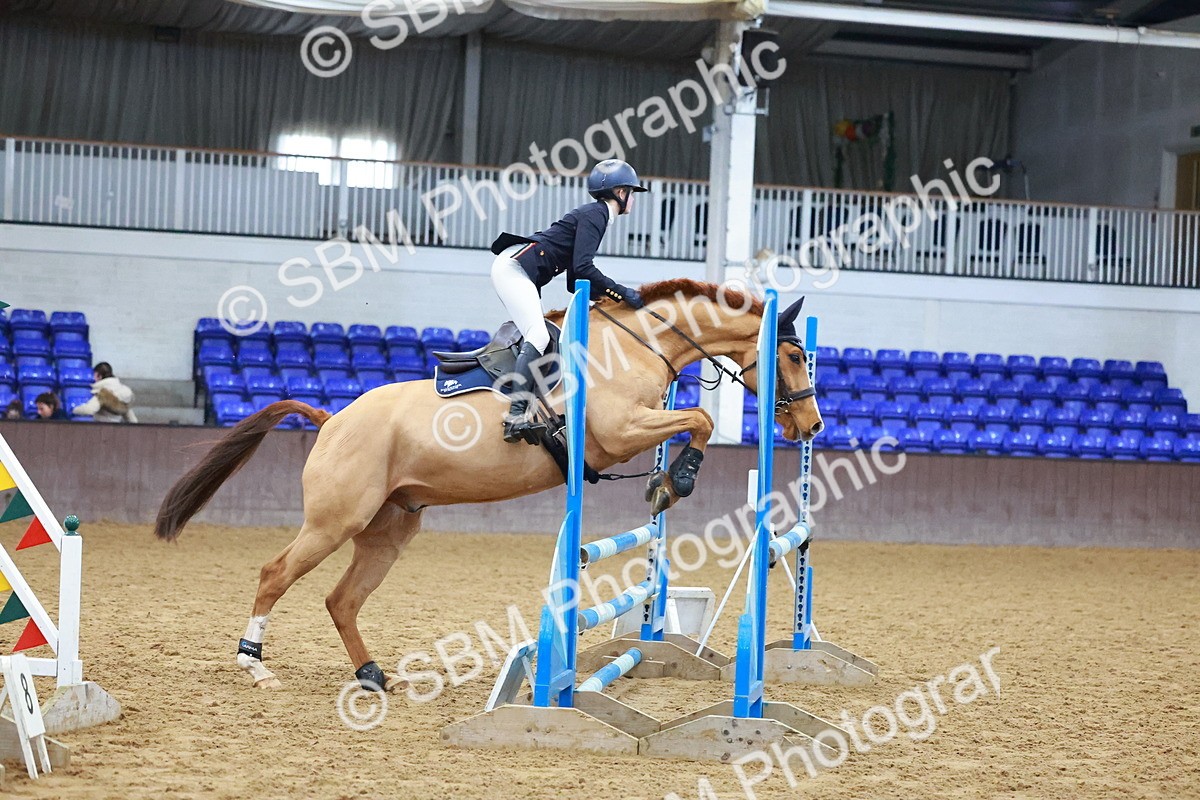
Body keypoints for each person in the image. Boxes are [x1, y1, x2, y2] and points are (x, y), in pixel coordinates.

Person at [489, 158, 647, 445]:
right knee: (537, 335)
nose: (633, 200)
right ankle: (515, 415)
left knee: (543, 336)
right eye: (632, 193)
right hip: (514, 268)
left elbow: (576, 279)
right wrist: (623, 293)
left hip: (518, 269)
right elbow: (585, 268)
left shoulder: (595, 215)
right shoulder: (597, 214)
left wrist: (612, 303)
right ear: (620, 193)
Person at [70, 362, 137, 423]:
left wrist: (74, 410)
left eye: (95, 375)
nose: (94, 378)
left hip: (101, 428)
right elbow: (131, 418)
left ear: (99, 376)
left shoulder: (103, 393)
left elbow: (89, 410)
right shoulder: (124, 393)